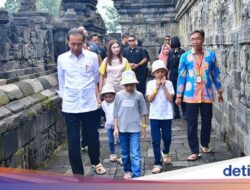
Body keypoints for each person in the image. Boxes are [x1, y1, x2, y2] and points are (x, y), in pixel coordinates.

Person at [57, 28, 106, 175]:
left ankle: (95, 161)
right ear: (68, 42)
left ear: (84, 42)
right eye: (72, 44)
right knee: (73, 141)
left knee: (92, 135)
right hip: (71, 104)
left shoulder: (91, 57)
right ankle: (78, 173)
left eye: (79, 44)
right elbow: (61, 81)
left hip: (89, 102)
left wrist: (98, 98)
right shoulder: (62, 59)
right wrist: (63, 100)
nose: (76, 47)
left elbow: (96, 80)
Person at [176, 29, 223, 161]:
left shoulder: (211, 56)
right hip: (191, 95)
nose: (195, 41)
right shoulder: (185, 57)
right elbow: (181, 77)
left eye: (197, 38)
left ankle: (205, 144)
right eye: (193, 39)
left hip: (206, 94)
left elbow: (215, 74)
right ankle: (194, 150)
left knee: (207, 122)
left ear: (203, 40)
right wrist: (179, 95)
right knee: (191, 123)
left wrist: (219, 90)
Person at [113, 70, 148, 179]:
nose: (129, 87)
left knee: (135, 153)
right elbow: (115, 114)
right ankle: (127, 170)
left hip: (135, 129)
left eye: (131, 85)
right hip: (122, 129)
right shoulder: (118, 96)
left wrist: (143, 127)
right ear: (123, 84)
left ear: (135, 84)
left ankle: (137, 174)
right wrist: (115, 128)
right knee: (124, 152)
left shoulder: (139, 95)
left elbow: (143, 112)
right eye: (127, 85)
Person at [146, 60, 175, 174]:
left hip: (167, 115)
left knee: (167, 138)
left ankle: (166, 151)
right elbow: (150, 99)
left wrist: (164, 87)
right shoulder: (150, 84)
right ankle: (157, 162)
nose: (160, 73)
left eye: (162, 71)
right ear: (153, 73)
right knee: (156, 140)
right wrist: (157, 87)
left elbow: (170, 99)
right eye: (158, 71)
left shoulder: (169, 83)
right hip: (154, 116)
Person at [100, 83, 122, 164]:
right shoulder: (103, 104)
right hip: (109, 125)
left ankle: (123, 155)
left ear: (114, 95)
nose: (108, 98)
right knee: (110, 140)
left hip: (118, 125)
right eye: (106, 97)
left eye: (110, 96)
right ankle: (113, 153)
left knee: (119, 140)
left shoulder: (117, 103)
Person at [167, 36, 186, 119]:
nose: (170, 43)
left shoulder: (182, 52)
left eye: (171, 41)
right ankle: (176, 113)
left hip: (180, 76)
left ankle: (185, 112)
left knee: (181, 94)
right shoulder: (171, 52)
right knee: (174, 94)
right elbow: (168, 64)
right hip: (172, 76)